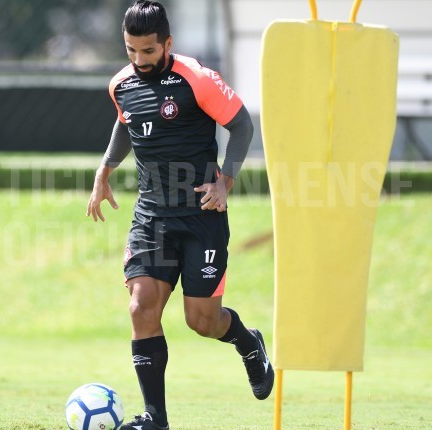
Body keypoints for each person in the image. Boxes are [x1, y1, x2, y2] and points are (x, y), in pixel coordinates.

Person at [86, 2, 274, 429]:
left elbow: (242, 124)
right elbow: (126, 121)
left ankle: (248, 344)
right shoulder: (121, 84)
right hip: (152, 214)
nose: (139, 61)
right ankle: (156, 419)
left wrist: (224, 181)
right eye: (131, 51)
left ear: (167, 44)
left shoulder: (198, 79)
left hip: (201, 215)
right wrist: (104, 171)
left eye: (148, 52)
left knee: (202, 321)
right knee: (141, 308)